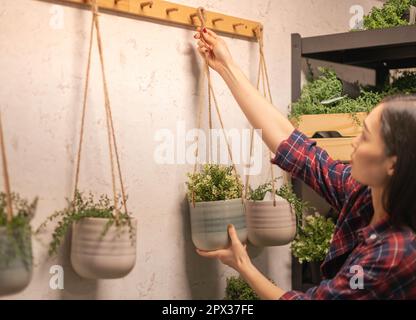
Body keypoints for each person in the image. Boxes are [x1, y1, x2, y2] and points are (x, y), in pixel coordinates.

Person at [193, 27, 416, 300]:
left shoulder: (393, 255)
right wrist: (227, 67)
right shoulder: (365, 194)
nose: (355, 142)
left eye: (366, 135)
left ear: (393, 164)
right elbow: (298, 150)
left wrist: (243, 266)